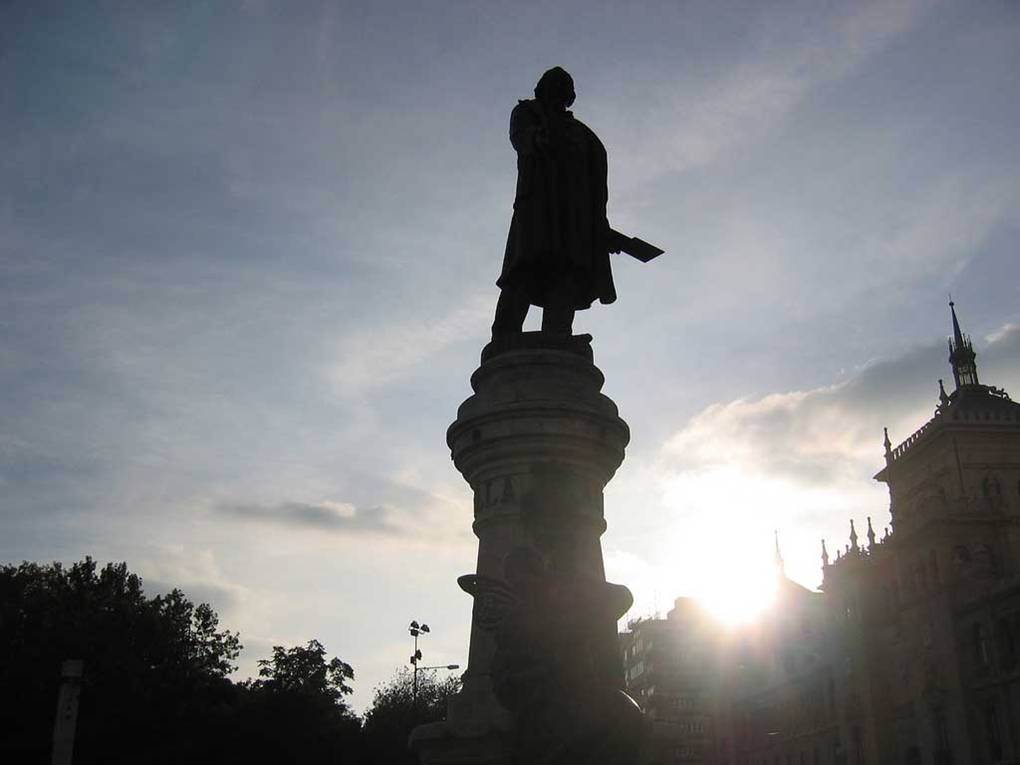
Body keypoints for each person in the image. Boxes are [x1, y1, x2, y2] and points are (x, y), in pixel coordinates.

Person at [492, 67, 620, 339]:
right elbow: (526, 140)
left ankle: (558, 336)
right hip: (537, 211)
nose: (557, 94)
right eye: (552, 87)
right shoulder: (528, 114)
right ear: (541, 90)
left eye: (563, 89)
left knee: (566, 276)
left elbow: (598, 187)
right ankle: (504, 336)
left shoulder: (585, 136)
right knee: (523, 272)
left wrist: (601, 228)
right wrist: (546, 131)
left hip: (574, 220)